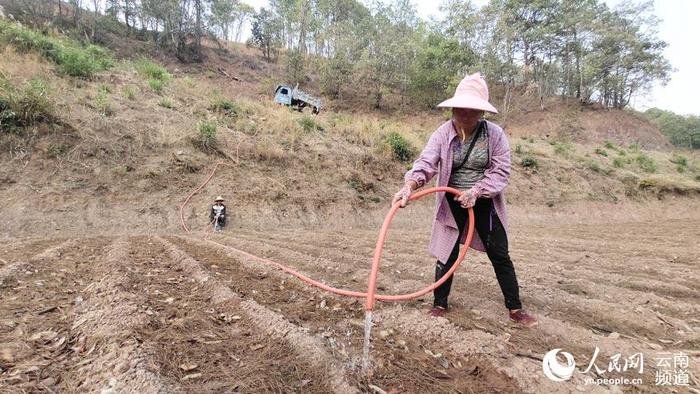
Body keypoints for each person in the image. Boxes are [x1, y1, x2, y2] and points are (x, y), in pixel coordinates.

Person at [391, 73, 537, 327]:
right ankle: (439, 303)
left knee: (499, 253)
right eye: (461, 108)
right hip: (452, 202)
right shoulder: (443, 133)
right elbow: (426, 163)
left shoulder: (494, 135)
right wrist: (409, 185)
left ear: (482, 112)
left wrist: (477, 191)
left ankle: (515, 308)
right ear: (454, 107)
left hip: (484, 202)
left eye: (472, 109)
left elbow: (501, 170)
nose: (465, 114)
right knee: (446, 253)